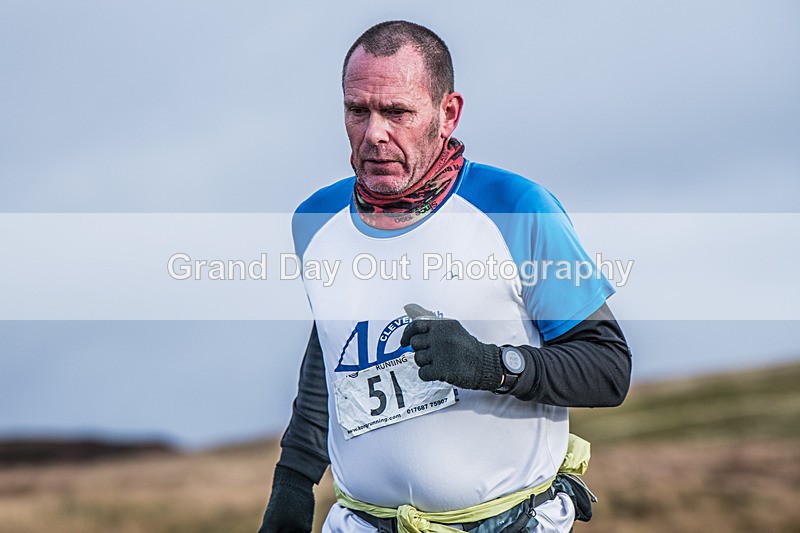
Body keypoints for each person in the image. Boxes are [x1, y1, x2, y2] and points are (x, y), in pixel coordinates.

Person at [259, 20, 632, 533]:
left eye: (397, 112)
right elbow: (331, 351)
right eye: (356, 110)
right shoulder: (315, 222)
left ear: (447, 113)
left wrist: (490, 365)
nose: (374, 134)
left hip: (510, 523)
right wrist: (294, 483)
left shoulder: (516, 210)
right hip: (359, 523)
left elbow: (608, 368)